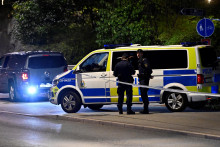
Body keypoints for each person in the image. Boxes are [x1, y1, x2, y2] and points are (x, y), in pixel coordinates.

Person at [137, 49, 152, 114]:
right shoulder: (140, 61)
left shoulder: (144, 60)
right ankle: (145, 109)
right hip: (142, 79)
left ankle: (146, 109)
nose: (138, 54)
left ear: (142, 54)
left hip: (144, 79)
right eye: (137, 53)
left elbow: (148, 68)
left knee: (144, 94)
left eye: (139, 53)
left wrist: (147, 75)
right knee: (143, 94)